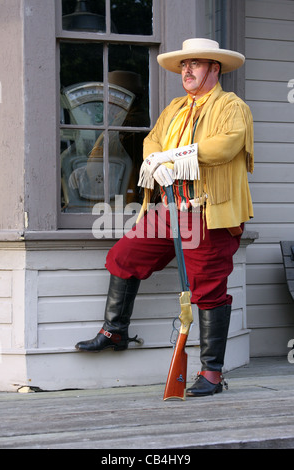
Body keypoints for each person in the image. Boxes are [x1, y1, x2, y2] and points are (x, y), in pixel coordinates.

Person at [75, 38, 254, 397]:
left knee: (208, 289)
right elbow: (151, 142)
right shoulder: (174, 107)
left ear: (214, 69)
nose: (186, 71)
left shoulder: (232, 106)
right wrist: (158, 159)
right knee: (124, 256)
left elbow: (225, 146)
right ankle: (116, 330)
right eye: (183, 65)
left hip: (209, 213)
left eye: (196, 64)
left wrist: (171, 158)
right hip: (171, 210)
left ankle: (212, 373)